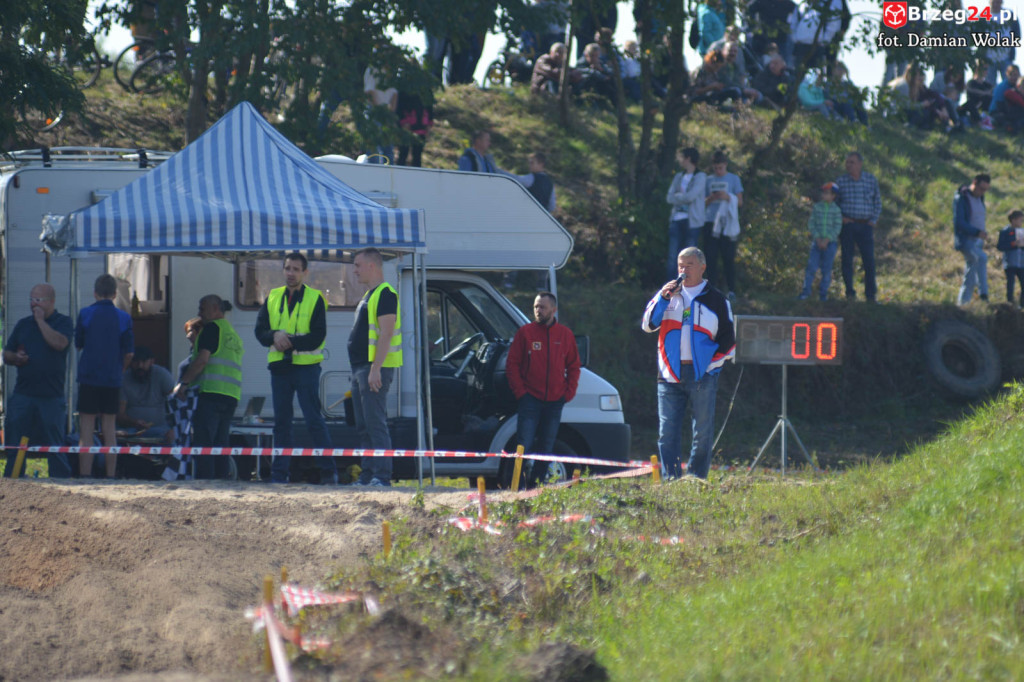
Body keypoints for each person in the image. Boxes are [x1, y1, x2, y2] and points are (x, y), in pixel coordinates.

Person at [642, 247, 735, 480]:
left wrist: (710, 366)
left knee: (702, 434)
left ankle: (696, 479)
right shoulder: (667, 294)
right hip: (669, 374)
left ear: (703, 267)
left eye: (689, 265)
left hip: (702, 375)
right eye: (680, 265)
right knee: (667, 434)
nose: (683, 270)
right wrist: (663, 298)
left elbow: (729, 342)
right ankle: (671, 480)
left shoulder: (717, 300)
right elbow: (647, 325)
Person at [255, 253, 338, 484]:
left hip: (306, 368)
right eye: (288, 268)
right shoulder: (272, 297)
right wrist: (274, 335)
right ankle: (279, 474)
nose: (291, 273)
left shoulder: (315, 298)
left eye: (296, 269)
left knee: (313, 420)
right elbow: (260, 332)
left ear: (305, 273)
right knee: (281, 422)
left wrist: (288, 342)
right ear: (283, 270)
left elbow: (318, 336)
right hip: (280, 368)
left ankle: (329, 472)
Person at [506, 292, 580, 487]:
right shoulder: (525, 333)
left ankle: (536, 487)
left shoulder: (565, 335)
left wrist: (568, 393)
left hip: (555, 401)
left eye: (543, 307)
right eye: (536, 307)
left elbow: (574, 366)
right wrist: (521, 392)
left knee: (546, 446)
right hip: (530, 399)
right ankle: (516, 487)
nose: (538, 311)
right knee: (523, 444)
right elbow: (512, 364)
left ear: (553, 310)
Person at [2, 283, 74, 479]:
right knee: (16, 439)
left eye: (38, 300)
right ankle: (14, 478)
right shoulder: (23, 324)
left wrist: (41, 322)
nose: (34, 304)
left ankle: (60, 481)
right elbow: (6, 354)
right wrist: (15, 357)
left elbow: (60, 344)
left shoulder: (63, 322)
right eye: (31, 299)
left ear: (51, 301)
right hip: (24, 394)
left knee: (54, 443)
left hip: (51, 396)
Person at [347, 247, 402, 486]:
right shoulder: (369, 295)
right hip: (361, 368)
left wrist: (375, 368)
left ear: (372, 266)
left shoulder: (385, 294)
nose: (355, 271)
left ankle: (382, 476)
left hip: (373, 368)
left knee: (375, 423)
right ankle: (368, 475)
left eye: (358, 265)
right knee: (364, 426)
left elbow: (386, 333)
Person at [175, 295, 244, 478]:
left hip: (210, 393)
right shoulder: (232, 333)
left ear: (215, 308)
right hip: (231, 395)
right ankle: (221, 480)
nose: (199, 313)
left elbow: (201, 361)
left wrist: (184, 383)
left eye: (202, 308)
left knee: (204, 443)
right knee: (221, 443)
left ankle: (204, 481)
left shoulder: (212, 329)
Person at [76, 274, 134, 479]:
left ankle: (85, 474)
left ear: (95, 293)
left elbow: (79, 344)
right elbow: (129, 353)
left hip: (89, 377)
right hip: (112, 379)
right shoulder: (124, 318)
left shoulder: (85, 314)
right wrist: (121, 370)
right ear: (115, 294)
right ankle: (110, 475)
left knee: (86, 428)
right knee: (109, 428)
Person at [835, 151, 882, 302]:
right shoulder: (841, 182)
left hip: (866, 225)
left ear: (860, 164)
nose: (849, 165)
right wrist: (842, 218)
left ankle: (870, 295)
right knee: (847, 259)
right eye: (847, 162)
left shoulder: (870, 180)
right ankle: (850, 293)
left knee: (869, 260)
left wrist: (873, 220)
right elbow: (834, 203)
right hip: (848, 225)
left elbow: (877, 202)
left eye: (852, 162)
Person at [703, 150, 743, 302]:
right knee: (710, 257)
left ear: (725, 165)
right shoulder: (708, 180)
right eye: (716, 168)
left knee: (728, 258)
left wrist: (728, 197)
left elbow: (740, 202)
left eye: (720, 168)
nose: (718, 171)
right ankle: (711, 289)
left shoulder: (734, 179)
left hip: (727, 223)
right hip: (710, 221)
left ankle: (731, 290)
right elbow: (702, 202)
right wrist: (712, 198)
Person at [117, 346, 175, 442]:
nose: (140, 366)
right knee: (120, 436)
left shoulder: (162, 375)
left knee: (172, 436)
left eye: (144, 362)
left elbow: (175, 401)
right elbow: (120, 414)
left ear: (151, 361)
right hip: (131, 429)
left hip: (159, 427)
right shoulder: (123, 379)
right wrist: (134, 422)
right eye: (136, 362)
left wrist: (173, 428)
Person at [665, 147, 708, 279]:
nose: (680, 160)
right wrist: (681, 197)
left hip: (692, 222)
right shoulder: (678, 176)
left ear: (688, 158)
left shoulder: (701, 176)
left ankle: (689, 284)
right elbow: (669, 197)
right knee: (673, 255)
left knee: (690, 257)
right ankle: (672, 285)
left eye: (682, 157)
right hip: (676, 220)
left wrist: (678, 196)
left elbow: (691, 196)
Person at [799, 182, 844, 301]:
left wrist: (827, 240)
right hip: (817, 243)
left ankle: (823, 295)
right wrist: (818, 238)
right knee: (811, 267)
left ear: (833, 196)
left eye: (827, 193)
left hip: (830, 244)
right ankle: (805, 292)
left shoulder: (836, 210)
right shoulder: (817, 207)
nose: (824, 195)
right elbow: (811, 224)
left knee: (826, 270)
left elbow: (837, 228)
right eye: (823, 192)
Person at [953, 173, 991, 306]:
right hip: (966, 240)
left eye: (985, 190)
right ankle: (979, 296)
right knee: (979, 260)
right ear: (974, 182)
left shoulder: (980, 198)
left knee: (976, 265)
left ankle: (972, 299)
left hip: (977, 241)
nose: (982, 192)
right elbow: (959, 222)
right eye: (981, 188)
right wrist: (976, 232)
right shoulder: (962, 198)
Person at [996, 210, 1024, 307]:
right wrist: (1013, 244)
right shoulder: (1005, 232)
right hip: (1010, 263)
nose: (1022, 222)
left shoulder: (1022, 231)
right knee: (1010, 284)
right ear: (1013, 220)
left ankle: (1022, 305)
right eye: (1020, 220)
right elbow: (1000, 246)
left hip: (1021, 263)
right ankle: (1010, 303)